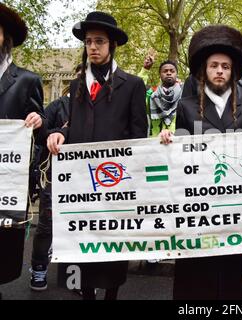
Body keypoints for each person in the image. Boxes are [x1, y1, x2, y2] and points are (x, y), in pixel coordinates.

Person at [47, 11, 148, 300]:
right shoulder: (77, 85)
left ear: (112, 44)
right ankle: (86, 293)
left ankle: (111, 295)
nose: (93, 47)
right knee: (82, 243)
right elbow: (74, 125)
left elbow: (138, 135)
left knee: (112, 244)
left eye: (99, 41)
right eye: (89, 42)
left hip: (114, 181)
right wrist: (61, 135)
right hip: (80, 182)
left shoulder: (132, 85)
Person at [160, 25, 242, 300]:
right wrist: (168, 137)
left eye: (225, 67)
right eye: (214, 65)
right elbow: (178, 155)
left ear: (233, 72)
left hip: (233, 206)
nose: (219, 71)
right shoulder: (187, 106)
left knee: (228, 276)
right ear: (204, 70)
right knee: (194, 274)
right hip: (196, 204)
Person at [0, 3, 45, 299]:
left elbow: (41, 133)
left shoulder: (27, 80)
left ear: (5, 37)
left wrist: (38, 122)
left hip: (7, 182)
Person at [29, 64, 83, 292]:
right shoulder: (57, 105)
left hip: (84, 177)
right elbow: (40, 134)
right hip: (55, 175)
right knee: (47, 225)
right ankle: (39, 269)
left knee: (80, 227)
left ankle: (76, 278)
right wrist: (57, 133)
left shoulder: (98, 108)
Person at [149, 61, 182, 137]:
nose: (169, 73)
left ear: (176, 74)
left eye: (172, 71)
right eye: (165, 71)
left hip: (179, 142)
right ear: (160, 75)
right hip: (156, 143)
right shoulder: (151, 95)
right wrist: (145, 70)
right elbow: (136, 91)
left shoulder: (184, 94)